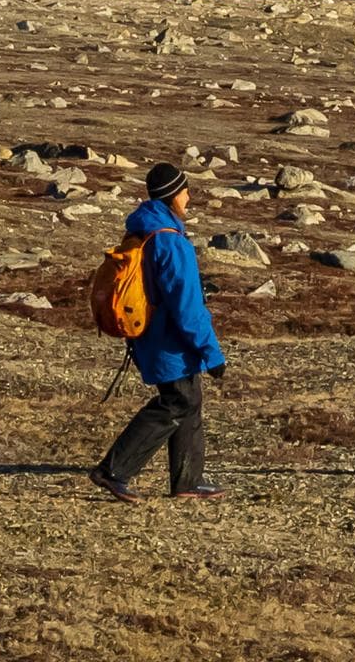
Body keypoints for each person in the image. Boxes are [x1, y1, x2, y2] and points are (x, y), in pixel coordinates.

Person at [89, 159, 227, 501]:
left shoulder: (143, 230)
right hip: (169, 340)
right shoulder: (171, 241)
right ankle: (113, 470)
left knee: (187, 400)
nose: (189, 198)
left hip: (149, 334)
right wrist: (212, 353)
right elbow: (186, 306)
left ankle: (188, 480)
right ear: (173, 197)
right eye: (185, 191)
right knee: (175, 403)